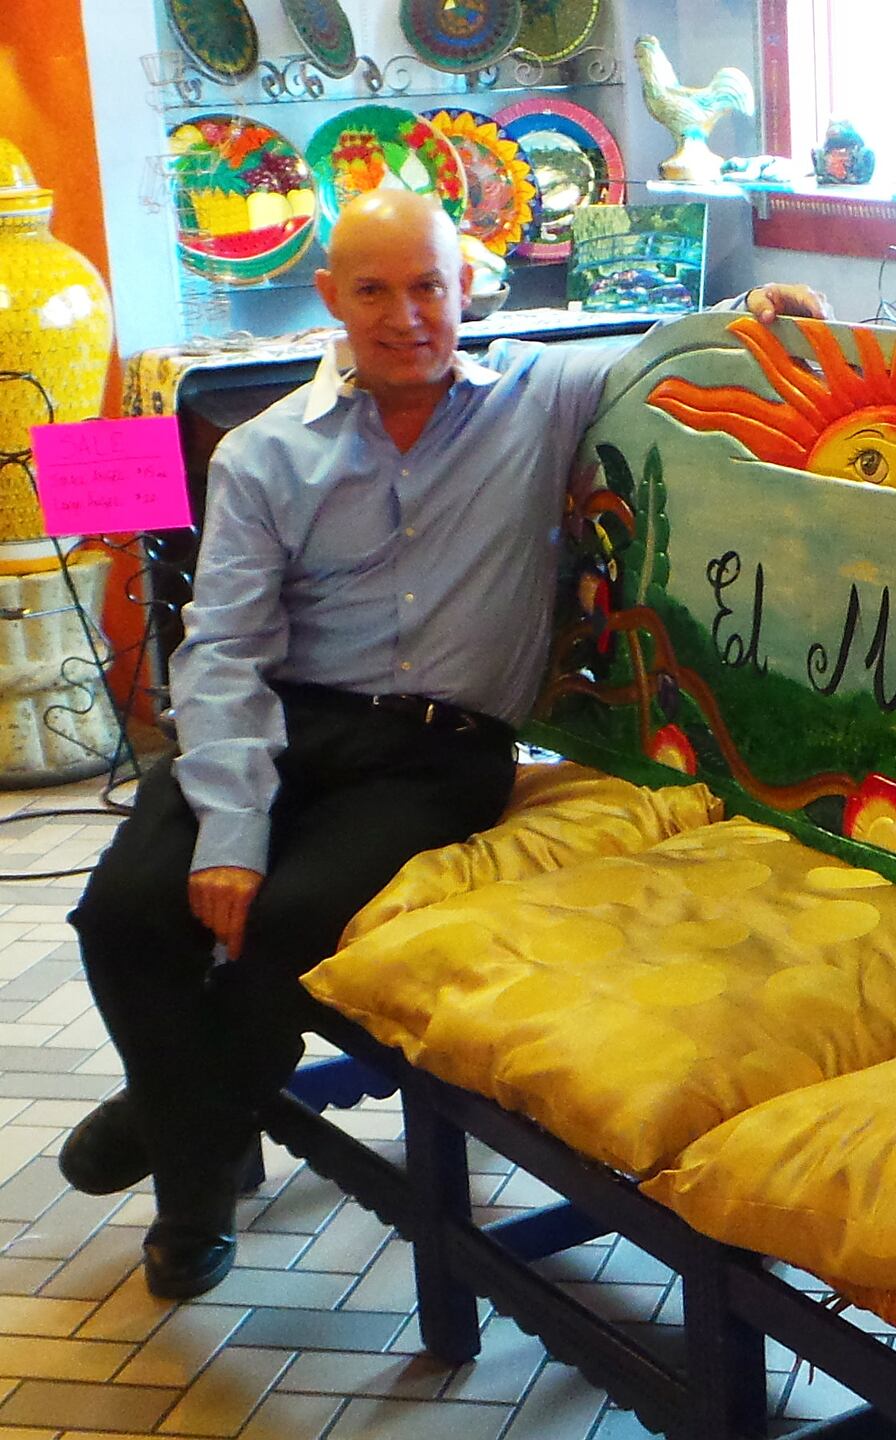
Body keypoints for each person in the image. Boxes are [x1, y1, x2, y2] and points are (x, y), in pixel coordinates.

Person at [62, 189, 829, 1300]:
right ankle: (211, 1118)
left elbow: (664, 352)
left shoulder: (540, 391)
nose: (406, 314)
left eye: (428, 285)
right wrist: (230, 824)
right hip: (281, 721)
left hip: (437, 755)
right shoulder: (265, 455)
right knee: (127, 909)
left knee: (285, 921)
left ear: (467, 288)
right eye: (373, 289)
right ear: (331, 298)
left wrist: (752, 304)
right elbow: (224, 650)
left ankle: (176, 1162)